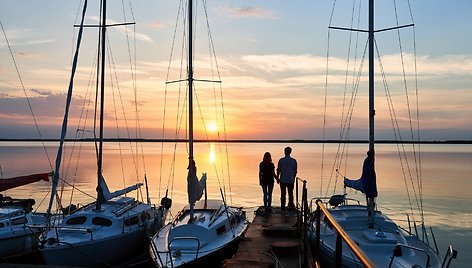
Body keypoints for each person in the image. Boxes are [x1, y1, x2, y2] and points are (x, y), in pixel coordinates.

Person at [277, 147, 297, 211]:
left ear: (284, 152)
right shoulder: (294, 161)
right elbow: (295, 171)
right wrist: (293, 178)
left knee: (283, 194)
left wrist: (277, 178)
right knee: (290, 194)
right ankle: (291, 206)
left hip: (283, 180)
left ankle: (282, 207)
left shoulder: (281, 160)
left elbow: (278, 170)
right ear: (290, 152)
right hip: (290, 180)